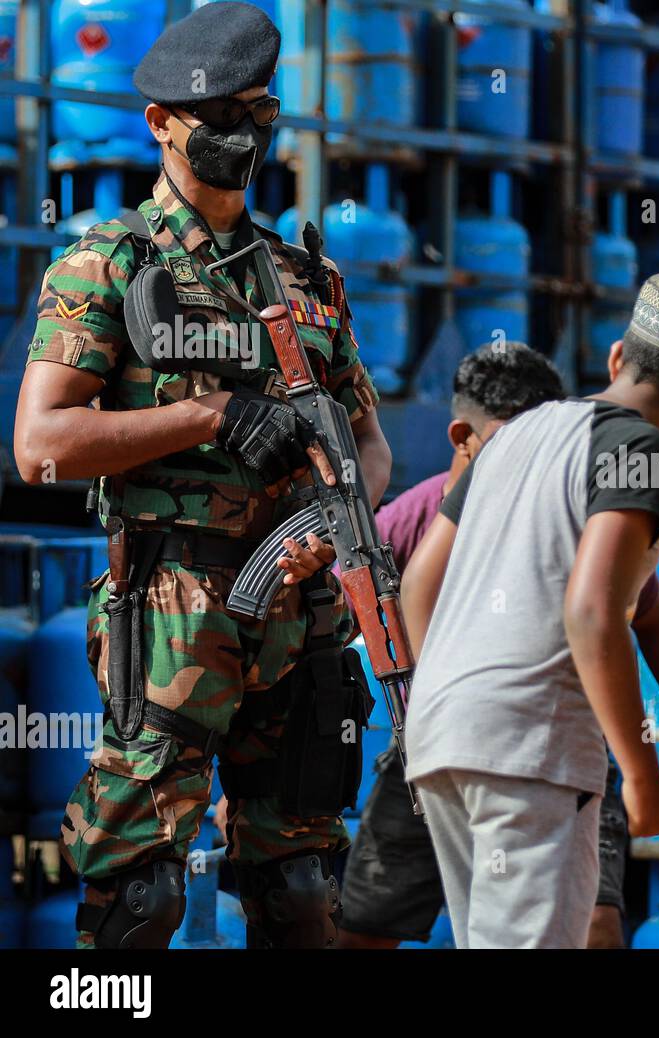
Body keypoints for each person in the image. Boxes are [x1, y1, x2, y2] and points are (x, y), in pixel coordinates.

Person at [12, 2, 390, 948]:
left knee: (304, 882)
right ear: (161, 124)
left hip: (300, 612)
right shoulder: (109, 261)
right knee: (141, 895)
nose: (239, 137)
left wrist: (327, 530)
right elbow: (40, 444)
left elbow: (368, 443)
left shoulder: (308, 281)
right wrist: (206, 414)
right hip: (174, 602)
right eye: (216, 118)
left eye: (256, 115)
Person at [399, 272, 659, 948]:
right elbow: (593, 612)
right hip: (531, 751)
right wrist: (643, 773)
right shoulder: (643, 453)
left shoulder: (511, 437)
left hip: (442, 735)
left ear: (618, 358)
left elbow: (419, 583)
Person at [337, 342, 641, 949]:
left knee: (596, 924)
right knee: (363, 927)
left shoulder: (578, 505)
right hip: (433, 739)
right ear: (462, 437)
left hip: (554, 739)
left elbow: (627, 615)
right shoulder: (407, 522)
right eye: (511, 441)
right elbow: (331, 636)